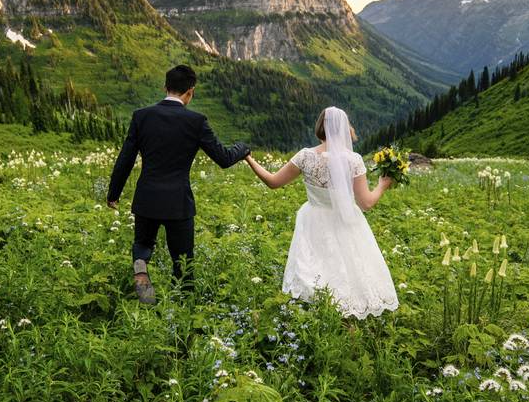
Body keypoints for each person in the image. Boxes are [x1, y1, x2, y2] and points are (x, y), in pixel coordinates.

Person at [107, 64, 250, 304]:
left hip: (147, 198)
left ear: (166, 87)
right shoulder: (195, 121)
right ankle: (182, 308)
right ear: (190, 92)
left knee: (142, 244)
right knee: (182, 260)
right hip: (178, 202)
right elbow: (223, 158)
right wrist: (242, 148)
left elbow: (126, 159)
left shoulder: (141, 116)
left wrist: (114, 192)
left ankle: (143, 277)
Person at [244, 107, 399, 318]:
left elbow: (273, 182)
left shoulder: (306, 156)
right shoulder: (353, 160)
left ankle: (318, 309)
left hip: (314, 217)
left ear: (320, 127)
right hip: (345, 220)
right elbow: (366, 204)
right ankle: (345, 311)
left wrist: (249, 159)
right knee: (347, 265)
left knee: (316, 264)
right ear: (345, 129)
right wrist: (382, 184)